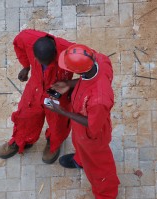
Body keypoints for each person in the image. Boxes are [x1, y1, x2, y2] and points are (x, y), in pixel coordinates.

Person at [45, 44, 120, 198]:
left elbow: (93, 124)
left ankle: (106, 194)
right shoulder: (99, 60)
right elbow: (87, 79)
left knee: (99, 167)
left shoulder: (99, 100)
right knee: (78, 143)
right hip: (80, 129)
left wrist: (62, 112)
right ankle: (80, 160)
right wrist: (68, 84)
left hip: (93, 136)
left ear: (79, 70)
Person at [0, 29, 74, 164]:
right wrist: (26, 66)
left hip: (58, 89)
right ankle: (22, 140)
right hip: (36, 86)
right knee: (25, 115)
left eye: (49, 63)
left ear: (56, 54)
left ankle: (54, 142)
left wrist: (71, 84)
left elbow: (94, 66)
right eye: (41, 62)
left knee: (58, 120)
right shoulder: (26, 38)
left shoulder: (70, 51)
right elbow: (18, 45)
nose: (45, 66)